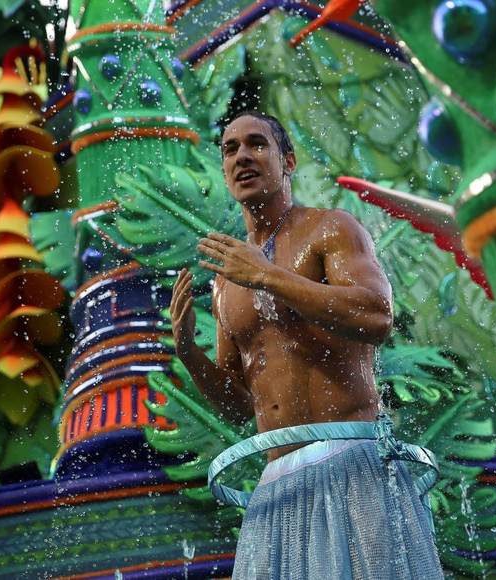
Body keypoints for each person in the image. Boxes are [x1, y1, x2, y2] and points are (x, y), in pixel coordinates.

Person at [170, 111, 443, 578]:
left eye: (256, 144)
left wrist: (267, 275)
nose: (242, 157)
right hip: (277, 483)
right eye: (230, 149)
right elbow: (240, 408)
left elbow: (377, 316)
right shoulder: (225, 282)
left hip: (352, 461)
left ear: (288, 160)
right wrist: (190, 356)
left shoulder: (331, 228)